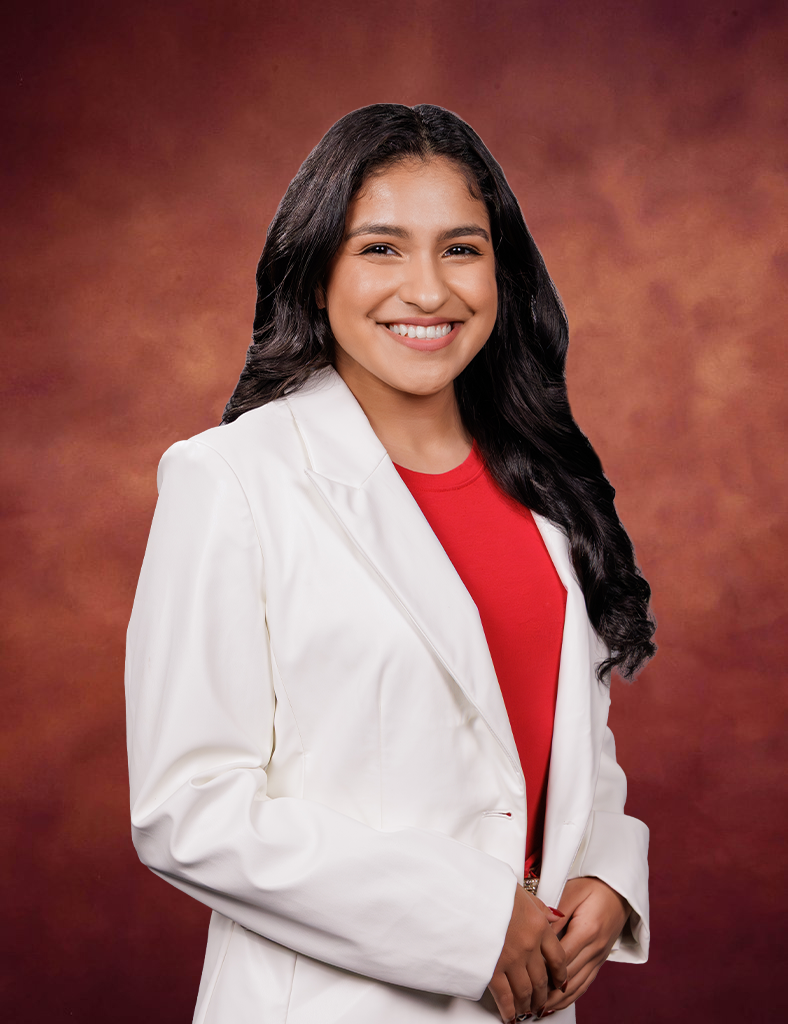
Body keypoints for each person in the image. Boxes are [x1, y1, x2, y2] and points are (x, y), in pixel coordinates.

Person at [125, 103, 655, 1024]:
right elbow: (189, 808)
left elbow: (555, 736)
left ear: (502, 270)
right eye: (380, 249)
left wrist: (606, 865)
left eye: (460, 248)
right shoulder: (233, 480)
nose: (427, 290)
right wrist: (471, 920)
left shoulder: (543, 486)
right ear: (316, 269)